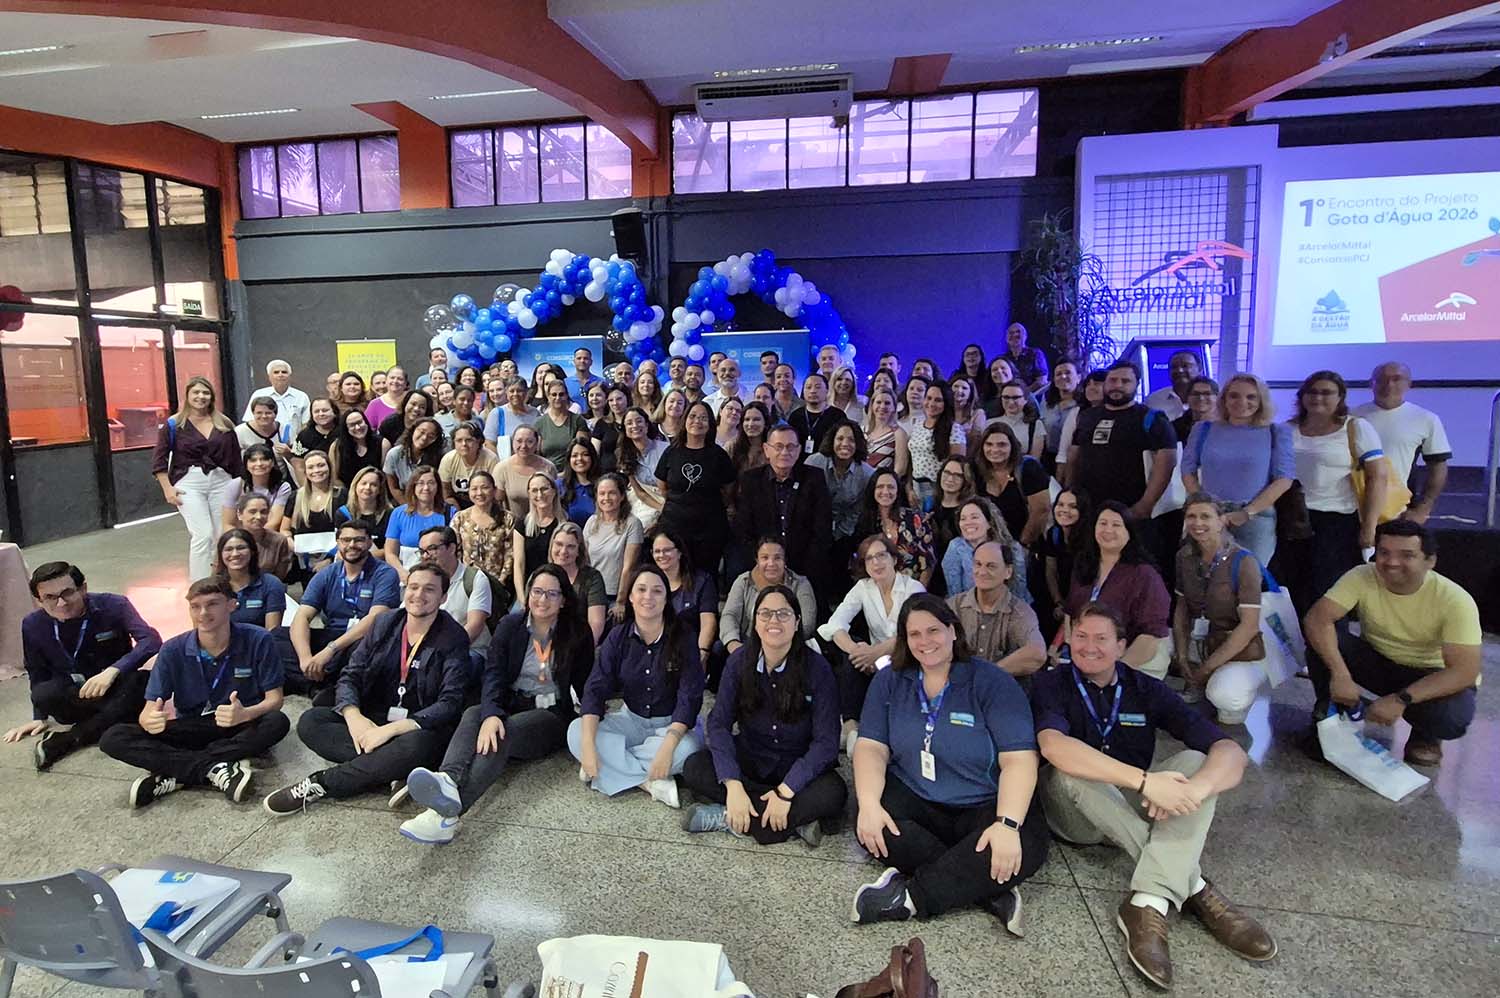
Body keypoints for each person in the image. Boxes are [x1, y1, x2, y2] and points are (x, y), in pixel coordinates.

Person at [1031, 601, 1275, 988]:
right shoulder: (1051, 684)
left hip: (1131, 805)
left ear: (1121, 646)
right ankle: (1192, 884)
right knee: (1069, 770)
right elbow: (1054, 747)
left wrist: (1197, 789)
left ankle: (1148, 900)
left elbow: (1229, 752)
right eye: (1080, 637)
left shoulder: (1146, 689)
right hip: (1076, 813)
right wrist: (1147, 783)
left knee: (1196, 760)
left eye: (1101, 639)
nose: (1088, 646)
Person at [849, 594, 1046, 928]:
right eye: (915, 634)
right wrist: (869, 803)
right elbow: (871, 748)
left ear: (954, 631)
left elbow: (1019, 760)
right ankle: (981, 885)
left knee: (1024, 844)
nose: (925, 642)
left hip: (984, 803)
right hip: (918, 798)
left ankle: (908, 897)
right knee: (868, 817)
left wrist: (1008, 825)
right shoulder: (890, 680)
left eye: (934, 630)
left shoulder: (992, 682)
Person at [399, 565, 592, 843]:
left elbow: (589, 685)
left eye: (552, 593)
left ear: (563, 600)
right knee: (475, 712)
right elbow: (494, 674)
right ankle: (449, 779)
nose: (543, 599)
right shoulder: (511, 626)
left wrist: (590, 730)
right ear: (527, 594)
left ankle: (444, 815)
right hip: (512, 701)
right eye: (537, 592)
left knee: (504, 731)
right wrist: (491, 714)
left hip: (549, 714)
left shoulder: (577, 632)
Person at [266, 562, 468, 815]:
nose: (419, 595)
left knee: (419, 747)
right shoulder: (385, 623)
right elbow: (351, 674)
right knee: (311, 721)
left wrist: (391, 731)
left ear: (443, 597)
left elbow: (450, 702)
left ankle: (321, 783)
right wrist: (354, 716)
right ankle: (392, 769)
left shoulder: (453, 636)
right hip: (374, 715)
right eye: (414, 587)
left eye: (429, 589)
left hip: (416, 726)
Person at [1302, 519, 1481, 766]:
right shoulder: (1362, 575)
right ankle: (1335, 715)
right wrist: (1340, 675)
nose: (1392, 562)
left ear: (1430, 561)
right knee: (1323, 641)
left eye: (1407, 555)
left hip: (1428, 673)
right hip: (1379, 661)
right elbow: (1317, 619)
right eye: (1384, 553)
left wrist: (1400, 700)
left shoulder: (1455, 600)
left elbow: (1464, 671)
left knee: (1451, 717)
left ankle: (1425, 735)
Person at [99, 578, 290, 808]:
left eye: (212, 604)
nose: (203, 613)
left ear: (232, 605)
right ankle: (214, 768)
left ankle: (176, 771)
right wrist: (150, 720)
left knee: (276, 722)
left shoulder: (259, 639)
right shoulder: (173, 649)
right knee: (114, 737)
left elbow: (275, 700)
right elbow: (148, 711)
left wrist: (247, 713)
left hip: (239, 724)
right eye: (195, 606)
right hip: (192, 724)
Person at [682, 585, 847, 846]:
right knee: (694, 767)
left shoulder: (818, 668)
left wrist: (785, 791)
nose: (774, 621)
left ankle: (731, 817)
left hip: (797, 765)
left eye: (783, 614)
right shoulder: (738, 662)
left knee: (835, 793)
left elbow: (826, 743)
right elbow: (719, 724)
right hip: (752, 757)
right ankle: (787, 822)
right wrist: (733, 785)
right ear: (755, 622)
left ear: (797, 622)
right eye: (765, 614)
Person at [568, 564, 706, 808]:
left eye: (657, 591)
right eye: (641, 589)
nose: (648, 597)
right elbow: (596, 687)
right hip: (630, 720)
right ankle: (649, 782)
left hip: (670, 725)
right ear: (630, 596)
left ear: (667, 599)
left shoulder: (683, 637)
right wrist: (588, 744)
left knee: (691, 749)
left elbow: (690, 697)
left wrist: (668, 746)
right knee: (576, 732)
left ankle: (609, 768)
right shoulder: (618, 636)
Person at [7, 563, 160, 769]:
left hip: (117, 688)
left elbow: (150, 640)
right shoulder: (32, 624)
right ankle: (106, 723)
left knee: (142, 682)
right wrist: (39, 717)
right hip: (76, 695)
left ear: (83, 588)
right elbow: (36, 671)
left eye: (67, 593)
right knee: (43, 694)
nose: (61, 603)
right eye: (50, 598)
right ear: (38, 600)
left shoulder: (114, 605)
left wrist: (113, 671)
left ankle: (69, 739)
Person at [1278, 370, 1388, 621]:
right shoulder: (1286, 429)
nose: (1318, 397)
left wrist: (1369, 528)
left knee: (1327, 593)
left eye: (1326, 392)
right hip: (1291, 520)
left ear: (1340, 397)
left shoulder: (1356, 427)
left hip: (1336, 522)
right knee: (1293, 588)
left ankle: (1328, 653)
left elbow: (1377, 478)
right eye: (1312, 391)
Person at [820, 535, 927, 750]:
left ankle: (868, 731)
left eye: (881, 556)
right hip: (873, 662)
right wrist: (857, 651)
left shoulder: (912, 588)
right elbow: (834, 624)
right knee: (850, 650)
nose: (876, 563)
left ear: (894, 559)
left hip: (907, 658)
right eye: (869, 559)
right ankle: (851, 728)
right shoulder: (863, 587)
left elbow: (912, 634)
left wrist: (874, 652)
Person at [1172, 494, 1271, 726]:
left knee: (1225, 699)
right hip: (1204, 639)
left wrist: (1206, 669)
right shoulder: (1184, 557)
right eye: (1191, 517)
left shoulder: (1244, 562)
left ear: (1221, 521)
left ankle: (1244, 689)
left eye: (1205, 516)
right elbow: (1182, 608)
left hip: (1240, 648)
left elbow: (1248, 627)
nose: (1198, 523)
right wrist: (1182, 656)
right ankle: (1202, 678)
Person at [1179, 373, 1292, 566]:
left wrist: (1248, 512)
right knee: (1206, 578)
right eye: (1234, 396)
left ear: (1261, 400)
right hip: (1209, 517)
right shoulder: (1203, 429)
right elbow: (1187, 470)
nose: (1242, 402)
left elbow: (1284, 479)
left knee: (1249, 580)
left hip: (1255, 518)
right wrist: (1203, 507)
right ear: (1224, 399)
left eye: (1251, 397)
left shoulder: (1276, 432)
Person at [288, 519, 402, 696]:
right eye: (346, 540)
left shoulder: (385, 573)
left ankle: (322, 683)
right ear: (337, 542)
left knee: (365, 650)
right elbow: (302, 616)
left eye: (359, 540)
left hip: (363, 638)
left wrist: (330, 650)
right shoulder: (328, 573)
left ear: (369, 542)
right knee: (277, 637)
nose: (352, 545)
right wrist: (305, 659)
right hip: (333, 634)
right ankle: (316, 685)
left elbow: (375, 619)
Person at [1065, 502, 1171, 679]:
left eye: (1116, 525)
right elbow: (1071, 613)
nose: (1108, 530)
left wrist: (1112, 673)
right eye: (1103, 523)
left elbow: (1151, 636)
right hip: (1088, 659)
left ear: (1129, 533)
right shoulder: (1083, 566)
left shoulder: (1145, 574)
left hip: (1135, 663)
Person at [1067, 361, 1177, 530]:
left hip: (1130, 511)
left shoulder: (1152, 419)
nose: (1117, 385)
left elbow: (1167, 462)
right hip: (1088, 509)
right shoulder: (1087, 416)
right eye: (1113, 380)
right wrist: (1070, 495)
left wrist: (1145, 505)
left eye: (1125, 381)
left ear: (1136, 385)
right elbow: (1074, 456)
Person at [732, 423, 833, 589]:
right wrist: (763, 561)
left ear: (799, 450)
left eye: (791, 447)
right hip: (764, 563)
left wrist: (807, 565)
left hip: (805, 564)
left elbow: (822, 528)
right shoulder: (751, 480)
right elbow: (743, 528)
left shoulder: (814, 478)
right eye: (778, 447)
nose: (785, 452)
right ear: (766, 449)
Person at [1352, 362, 1452, 524]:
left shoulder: (1426, 419)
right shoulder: (1351, 417)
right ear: (1371, 383)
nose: (1389, 385)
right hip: (1352, 506)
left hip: (1398, 509)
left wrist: (1423, 508)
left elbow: (1438, 467)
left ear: (1408, 384)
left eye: (1397, 379)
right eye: (1382, 379)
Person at [656, 399, 737, 577]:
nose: (697, 421)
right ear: (685, 420)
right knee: (675, 575)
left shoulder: (718, 455)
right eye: (692, 416)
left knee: (706, 577)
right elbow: (663, 486)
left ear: (710, 424)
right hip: (674, 525)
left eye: (703, 418)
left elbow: (729, 489)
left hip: (709, 528)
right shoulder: (671, 452)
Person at [948, 542, 1045, 678]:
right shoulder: (954, 605)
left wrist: (989, 675)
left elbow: (1038, 653)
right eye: (978, 564)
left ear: (1008, 572)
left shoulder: (1020, 611)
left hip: (1002, 692)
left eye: (991, 566)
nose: (982, 572)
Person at [720, 537, 819, 658]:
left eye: (777, 558)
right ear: (757, 560)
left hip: (789, 646)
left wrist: (776, 646)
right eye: (765, 558)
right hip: (746, 645)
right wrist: (733, 644)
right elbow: (729, 615)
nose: (771, 563)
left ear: (785, 560)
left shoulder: (801, 584)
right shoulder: (743, 581)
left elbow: (807, 624)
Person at [806, 419, 874, 594]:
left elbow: (858, 510)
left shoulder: (866, 473)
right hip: (813, 525)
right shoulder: (814, 462)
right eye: (840, 438)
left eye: (851, 440)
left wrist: (839, 533)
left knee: (841, 553)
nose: (845, 444)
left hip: (845, 529)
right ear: (832, 441)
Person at [648, 526, 718, 669]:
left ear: (679, 552)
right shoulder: (647, 582)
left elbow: (708, 622)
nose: (662, 555)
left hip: (691, 648)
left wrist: (702, 653)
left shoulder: (702, 581)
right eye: (657, 551)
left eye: (667, 550)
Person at [971, 422, 1049, 548]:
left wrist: (1022, 544)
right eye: (989, 444)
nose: (995, 450)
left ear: (1012, 446)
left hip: (1024, 544)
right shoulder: (976, 470)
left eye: (1002, 445)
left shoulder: (1029, 468)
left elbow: (1041, 510)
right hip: (988, 545)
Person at [417, 526, 492, 657]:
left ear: (451, 548)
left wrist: (443, 652)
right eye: (422, 551)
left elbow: (474, 626)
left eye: (432, 549)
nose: (425, 556)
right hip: (427, 650)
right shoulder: (420, 580)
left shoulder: (475, 579)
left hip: (468, 649)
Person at [852, 469, 935, 585]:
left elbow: (928, 564)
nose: (885, 491)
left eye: (891, 487)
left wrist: (917, 596)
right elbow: (862, 564)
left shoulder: (915, 518)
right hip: (878, 589)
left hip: (913, 590)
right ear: (873, 491)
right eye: (880, 487)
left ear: (897, 491)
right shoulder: (866, 523)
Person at [451, 470, 519, 607]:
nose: (479, 493)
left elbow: (511, 554)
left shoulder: (508, 518)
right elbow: (455, 551)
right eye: (474, 489)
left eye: (485, 488)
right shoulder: (460, 518)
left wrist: (500, 582)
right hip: (467, 584)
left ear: (494, 490)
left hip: (498, 585)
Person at [941, 498, 1025, 603]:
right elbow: (955, 593)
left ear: (989, 523)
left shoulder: (1013, 548)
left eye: (974, 517)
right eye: (963, 519)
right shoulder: (956, 547)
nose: (968, 523)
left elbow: (1019, 590)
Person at [584, 473, 645, 609]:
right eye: (602, 493)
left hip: (616, 596)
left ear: (622, 496)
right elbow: (584, 560)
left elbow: (629, 567)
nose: (606, 498)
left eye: (612, 493)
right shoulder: (591, 522)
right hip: (592, 593)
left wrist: (620, 602)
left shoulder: (633, 524)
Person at [282, 450, 345, 578]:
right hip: (304, 564)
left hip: (335, 562)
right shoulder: (295, 497)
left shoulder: (341, 495)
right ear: (305, 472)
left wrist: (330, 560)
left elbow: (348, 531)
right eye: (311, 467)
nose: (316, 470)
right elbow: (284, 529)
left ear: (329, 467)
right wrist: (291, 544)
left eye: (321, 465)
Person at [1035, 488, 1089, 634]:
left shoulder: (1089, 540)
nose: (1065, 510)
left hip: (1084, 602)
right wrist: (1058, 601)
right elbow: (1050, 570)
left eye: (1073, 506)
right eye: (1061, 504)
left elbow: (1083, 579)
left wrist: (1069, 608)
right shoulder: (1054, 533)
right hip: (1061, 598)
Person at [383, 466, 453, 574]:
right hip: (406, 573)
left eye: (431, 483)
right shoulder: (398, 513)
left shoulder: (450, 513)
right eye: (420, 483)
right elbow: (390, 552)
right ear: (413, 487)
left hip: (440, 573)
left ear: (438, 486)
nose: (426, 488)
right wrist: (402, 573)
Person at [907, 381, 966, 510]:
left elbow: (958, 468)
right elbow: (913, 459)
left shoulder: (954, 430)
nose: (932, 404)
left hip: (939, 490)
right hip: (916, 488)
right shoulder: (918, 424)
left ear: (946, 403)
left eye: (938, 400)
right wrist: (909, 488)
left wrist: (942, 494)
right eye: (929, 398)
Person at [215, 528, 287, 630]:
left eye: (241, 548)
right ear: (220, 554)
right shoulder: (213, 587)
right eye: (228, 549)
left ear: (252, 551)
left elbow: (272, 632)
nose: (235, 554)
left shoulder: (271, 584)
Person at [549, 522, 609, 644]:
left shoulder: (592, 578)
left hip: (579, 643)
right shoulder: (540, 575)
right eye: (559, 544)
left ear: (579, 551)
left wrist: (584, 651)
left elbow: (596, 623)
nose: (563, 551)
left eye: (570, 546)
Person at [220, 443, 292, 533]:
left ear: (273, 462)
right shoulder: (235, 484)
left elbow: (273, 524)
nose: (259, 464)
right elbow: (228, 524)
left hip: (267, 537)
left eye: (264, 459)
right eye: (253, 460)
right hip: (241, 537)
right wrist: (243, 541)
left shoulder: (283, 487)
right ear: (246, 465)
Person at [617, 406, 668, 529]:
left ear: (646, 424)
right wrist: (659, 508)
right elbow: (640, 492)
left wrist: (666, 508)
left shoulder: (665, 449)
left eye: (639, 421)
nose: (634, 425)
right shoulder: (625, 456)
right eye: (629, 423)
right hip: (648, 501)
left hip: (670, 499)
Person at [494, 424, 557, 522]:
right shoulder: (502, 468)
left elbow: (555, 500)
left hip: (544, 521)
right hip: (513, 524)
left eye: (530, 442)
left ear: (537, 444)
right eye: (519, 441)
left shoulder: (548, 467)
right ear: (512, 443)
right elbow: (497, 502)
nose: (524, 446)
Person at [1056, 369, 1106, 486]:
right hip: (1081, 475)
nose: (1092, 387)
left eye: (1097, 384)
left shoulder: (1119, 414)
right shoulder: (1077, 413)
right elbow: (1064, 450)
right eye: (1088, 384)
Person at [384, 417, 446, 504]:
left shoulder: (437, 457)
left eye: (431, 436)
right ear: (413, 430)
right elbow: (394, 488)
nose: (424, 438)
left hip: (430, 502)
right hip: (402, 502)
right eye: (422, 432)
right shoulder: (394, 454)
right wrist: (408, 507)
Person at [334, 466, 394, 553]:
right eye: (363, 483)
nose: (368, 487)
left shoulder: (391, 514)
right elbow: (340, 545)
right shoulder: (343, 513)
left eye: (373, 485)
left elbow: (392, 549)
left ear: (380, 490)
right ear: (355, 486)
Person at [439, 422, 498, 511]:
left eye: (469, 440)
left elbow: (495, 493)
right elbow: (446, 493)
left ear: (479, 441)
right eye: (459, 440)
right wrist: (458, 513)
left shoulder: (491, 459)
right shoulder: (448, 459)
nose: (464, 444)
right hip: (458, 503)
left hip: (485, 501)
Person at [243, 359, 310, 435]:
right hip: (264, 441)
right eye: (276, 372)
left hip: (293, 443)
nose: (280, 375)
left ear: (290, 376)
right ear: (269, 377)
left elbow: (306, 424)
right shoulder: (258, 394)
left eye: (284, 372)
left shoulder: (301, 397)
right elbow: (249, 421)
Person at [534, 378, 591, 468]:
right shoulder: (539, 423)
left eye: (561, 394)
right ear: (548, 397)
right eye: (554, 395)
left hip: (572, 471)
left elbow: (582, 450)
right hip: (547, 471)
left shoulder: (578, 420)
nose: (557, 398)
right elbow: (536, 455)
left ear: (567, 396)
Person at [237, 493, 294, 581]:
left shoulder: (279, 541)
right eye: (252, 512)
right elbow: (218, 574)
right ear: (239, 514)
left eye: (263, 512)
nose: (258, 516)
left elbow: (279, 577)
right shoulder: (229, 540)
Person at [236, 396, 295, 476]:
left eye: (268, 413)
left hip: (283, 479)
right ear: (253, 413)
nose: (264, 416)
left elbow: (298, 459)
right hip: (252, 479)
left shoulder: (286, 430)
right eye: (259, 413)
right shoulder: (240, 432)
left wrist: (288, 453)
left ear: (275, 414)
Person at [787, 373, 841, 460]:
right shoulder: (795, 416)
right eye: (808, 387)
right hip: (799, 465)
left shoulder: (838, 416)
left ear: (827, 390)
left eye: (818, 387)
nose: (813, 391)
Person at [988, 380, 1045, 460]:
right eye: (1006, 397)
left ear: (1025, 400)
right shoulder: (990, 423)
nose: (1011, 402)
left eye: (1016, 398)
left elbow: (1034, 460)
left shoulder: (1036, 425)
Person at [329, 406, 382, 490]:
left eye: (360, 422)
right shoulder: (336, 447)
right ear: (346, 428)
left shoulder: (382, 444)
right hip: (346, 494)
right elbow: (334, 478)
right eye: (352, 425)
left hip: (375, 492)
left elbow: (385, 476)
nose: (358, 427)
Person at [862, 386, 911, 477]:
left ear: (894, 407)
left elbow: (900, 470)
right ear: (872, 405)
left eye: (887, 403)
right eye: (878, 402)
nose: (882, 406)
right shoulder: (861, 430)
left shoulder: (899, 434)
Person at [290, 396, 340, 483]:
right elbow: (298, 464)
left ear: (334, 412)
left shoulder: (344, 431)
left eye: (325, 410)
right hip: (315, 481)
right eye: (317, 411)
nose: (321, 414)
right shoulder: (304, 435)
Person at [1142, 350, 1200, 422]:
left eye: (1186, 366)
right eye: (1174, 367)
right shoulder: (1153, 401)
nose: (1180, 370)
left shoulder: (1211, 400)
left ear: (1200, 369)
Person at [483, 378, 539, 450]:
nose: (515, 394)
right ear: (506, 392)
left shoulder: (535, 413)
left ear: (526, 392)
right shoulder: (497, 413)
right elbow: (489, 444)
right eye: (512, 391)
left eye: (519, 391)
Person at [1000, 322, 1049, 395]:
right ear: (1006, 339)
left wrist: (1023, 394)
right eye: (1011, 333)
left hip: (1031, 397)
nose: (1015, 335)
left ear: (1025, 336)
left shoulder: (1035, 354)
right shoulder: (1004, 359)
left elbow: (1042, 380)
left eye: (1018, 332)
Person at [559, 439, 599, 526]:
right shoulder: (559, 485)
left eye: (585, 454)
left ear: (592, 457)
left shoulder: (602, 485)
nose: (579, 459)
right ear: (569, 459)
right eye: (574, 455)